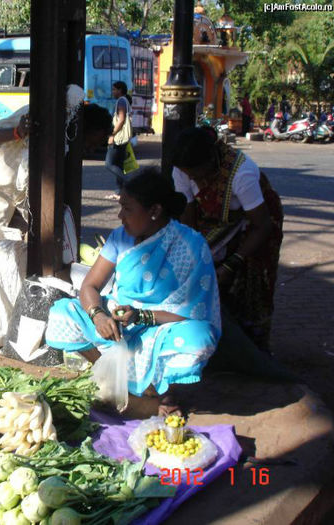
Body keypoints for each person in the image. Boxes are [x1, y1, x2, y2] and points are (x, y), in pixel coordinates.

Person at [45, 167, 220, 415]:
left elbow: (194, 310)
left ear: (155, 211)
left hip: (160, 327)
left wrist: (143, 316)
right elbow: (90, 286)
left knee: (198, 338)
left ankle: (160, 392)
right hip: (118, 321)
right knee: (62, 312)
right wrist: (98, 315)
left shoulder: (190, 246)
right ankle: (111, 377)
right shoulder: (120, 238)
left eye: (127, 209)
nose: (119, 215)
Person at [172, 126, 283, 351]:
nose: (194, 179)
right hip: (214, 221)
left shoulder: (242, 173)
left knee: (251, 283)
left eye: (198, 174)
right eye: (189, 174)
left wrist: (233, 263)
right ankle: (214, 344)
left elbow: (262, 225)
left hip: (256, 223)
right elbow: (189, 217)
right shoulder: (181, 170)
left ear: (211, 160)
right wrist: (194, 256)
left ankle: (253, 350)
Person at [0, 102, 112, 235]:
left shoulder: (66, 143)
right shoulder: (37, 116)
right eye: (93, 143)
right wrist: (17, 132)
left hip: (11, 195)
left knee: (21, 244)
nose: (91, 149)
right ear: (89, 129)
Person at [104, 81, 132, 180]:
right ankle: (119, 191)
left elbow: (121, 120)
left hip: (118, 137)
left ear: (120, 90)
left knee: (109, 164)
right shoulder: (124, 100)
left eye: (114, 89)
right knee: (119, 165)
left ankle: (128, 183)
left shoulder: (121, 101)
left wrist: (112, 135)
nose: (113, 92)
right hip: (122, 137)